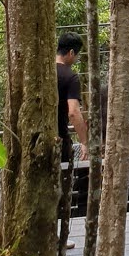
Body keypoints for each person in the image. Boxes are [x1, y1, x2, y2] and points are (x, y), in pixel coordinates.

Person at [57, 33, 88, 166]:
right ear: (71, 52)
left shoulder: (41, 72)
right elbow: (73, 112)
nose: (77, 58)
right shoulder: (70, 77)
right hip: (58, 140)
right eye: (77, 55)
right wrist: (84, 141)